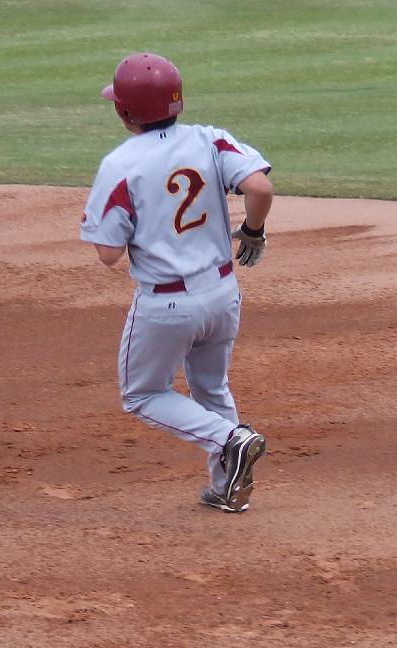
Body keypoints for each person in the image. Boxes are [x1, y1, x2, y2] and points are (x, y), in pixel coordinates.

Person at [79, 52, 274, 513]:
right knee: (210, 387)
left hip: (167, 305)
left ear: (124, 111)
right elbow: (260, 189)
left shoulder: (120, 164)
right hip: (224, 293)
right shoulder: (211, 139)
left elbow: (108, 255)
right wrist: (252, 231)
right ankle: (229, 488)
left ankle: (232, 438)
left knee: (143, 395)